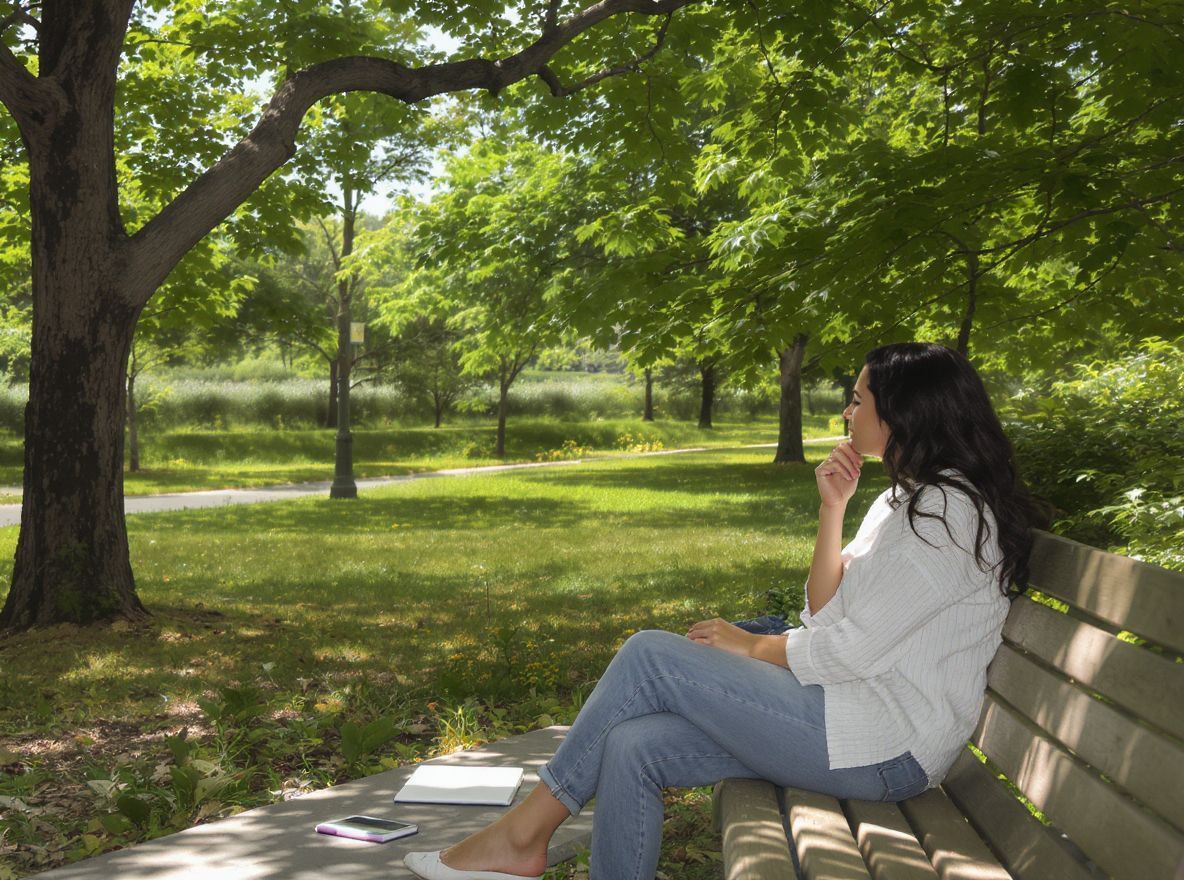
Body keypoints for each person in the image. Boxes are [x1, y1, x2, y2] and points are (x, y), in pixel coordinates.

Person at [404, 341, 1043, 880]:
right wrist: (832, 510)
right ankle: (523, 840)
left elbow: (847, 651)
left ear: (903, 414)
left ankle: (522, 837)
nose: (847, 411)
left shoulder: (946, 517)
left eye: (858, 399)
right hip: (851, 718)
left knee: (650, 654)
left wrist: (751, 645)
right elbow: (824, 615)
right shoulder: (903, 504)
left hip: (886, 744)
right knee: (633, 745)